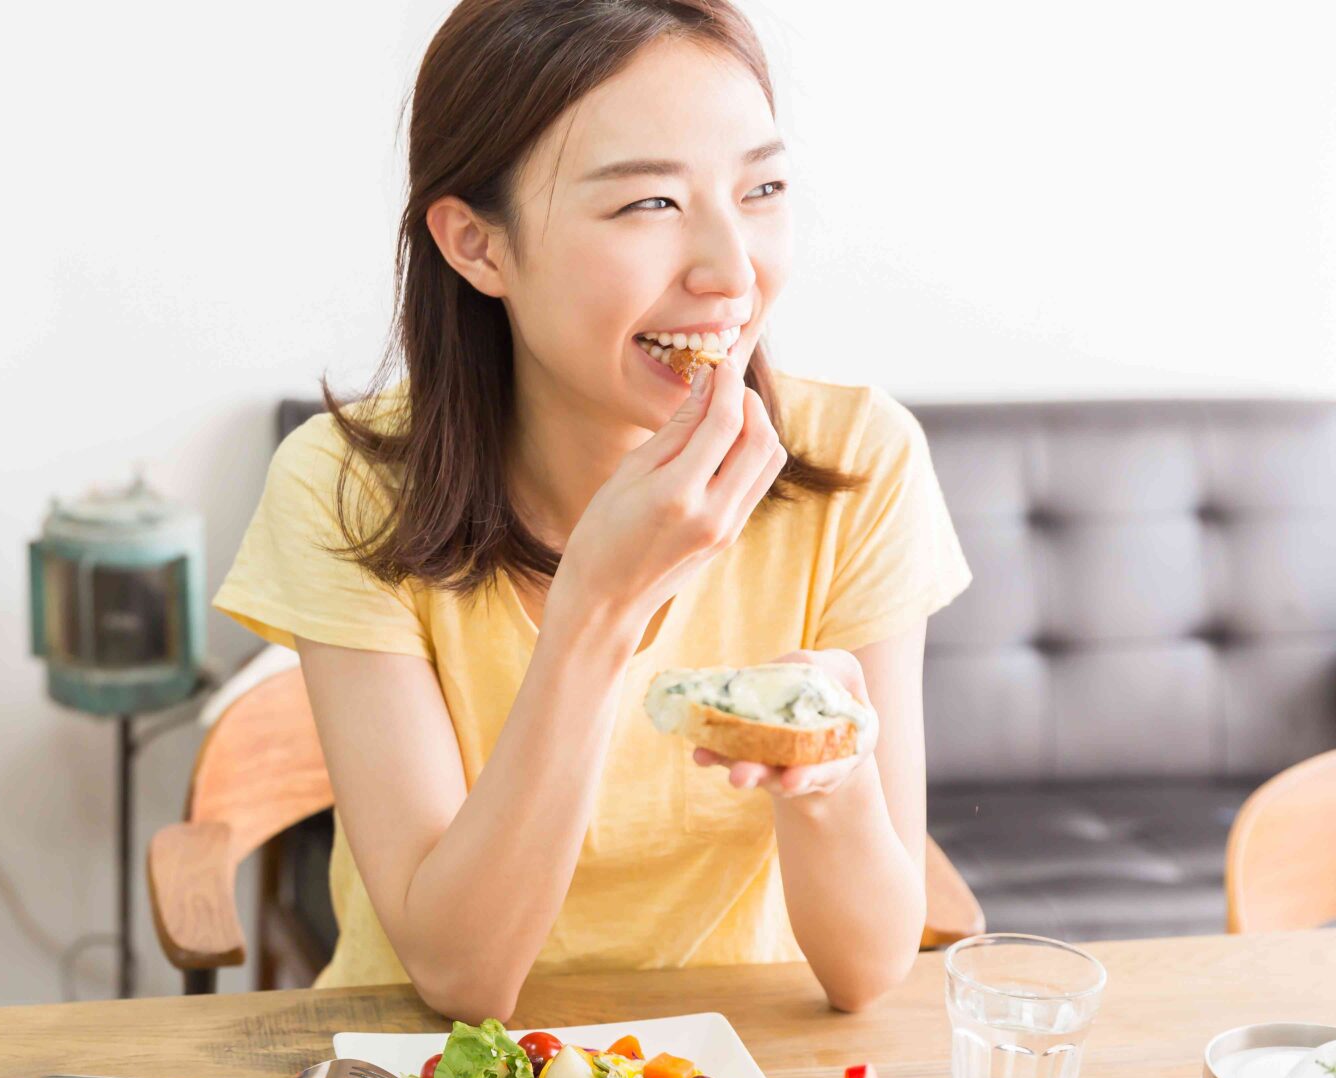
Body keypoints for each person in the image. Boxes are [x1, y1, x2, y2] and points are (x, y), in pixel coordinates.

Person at [214, 0, 971, 1021]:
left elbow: (870, 967)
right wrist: (599, 604)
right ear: (477, 245)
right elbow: (458, 974)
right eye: (648, 204)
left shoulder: (860, 463)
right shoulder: (344, 487)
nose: (732, 271)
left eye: (762, 189)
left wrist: (823, 764)